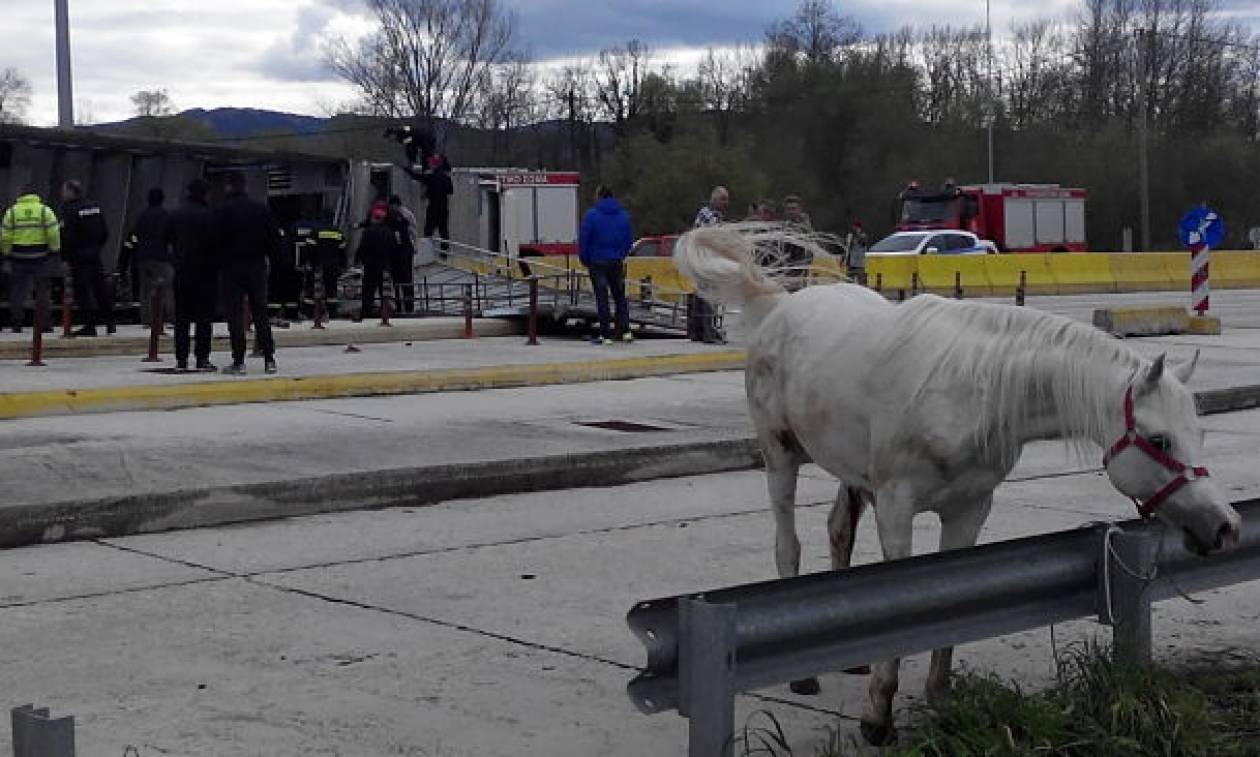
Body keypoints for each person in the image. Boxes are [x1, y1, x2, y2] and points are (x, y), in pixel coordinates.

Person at [215, 171, 279, 375]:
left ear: (228, 186)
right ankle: (269, 358)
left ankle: (239, 360)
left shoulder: (223, 210)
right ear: (245, 186)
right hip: (256, 266)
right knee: (260, 312)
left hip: (231, 267)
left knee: (234, 315)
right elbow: (273, 239)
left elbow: (215, 239)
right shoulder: (260, 209)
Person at [167, 178, 218, 372]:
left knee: (182, 318)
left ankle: (181, 358)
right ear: (205, 194)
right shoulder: (210, 216)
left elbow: (165, 240)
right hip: (206, 273)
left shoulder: (175, 215)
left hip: (182, 272)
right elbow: (217, 244)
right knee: (204, 318)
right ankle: (202, 358)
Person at [0, 184, 60, 333]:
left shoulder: (12, 212)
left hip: (18, 257)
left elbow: (5, 236)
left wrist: (6, 253)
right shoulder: (44, 211)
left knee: (17, 292)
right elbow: (53, 232)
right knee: (42, 291)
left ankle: (16, 323)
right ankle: (45, 323)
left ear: (21, 196)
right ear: (36, 196)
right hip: (40, 257)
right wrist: (54, 249)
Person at [579, 185, 634, 345]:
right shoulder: (624, 216)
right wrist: (620, 255)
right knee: (619, 297)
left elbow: (584, 241)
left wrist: (585, 259)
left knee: (602, 298)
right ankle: (625, 331)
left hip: (597, 262)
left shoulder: (591, 216)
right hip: (616, 262)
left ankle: (606, 334)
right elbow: (629, 241)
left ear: (599, 197)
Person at [59, 180, 115, 335]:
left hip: (78, 257)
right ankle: (110, 321)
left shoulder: (69, 210)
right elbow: (104, 232)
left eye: (64, 191)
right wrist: (96, 248)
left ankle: (89, 325)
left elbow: (66, 237)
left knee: (83, 291)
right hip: (94, 255)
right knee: (100, 289)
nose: (62, 194)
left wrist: (65, 257)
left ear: (72, 192)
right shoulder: (94, 207)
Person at [123, 188, 175, 328]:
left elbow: (134, 235)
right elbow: (170, 236)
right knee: (167, 287)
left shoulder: (142, 215)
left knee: (145, 289)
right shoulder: (165, 215)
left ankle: (147, 319)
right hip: (160, 257)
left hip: (142, 257)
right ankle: (170, 318)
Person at [690, 185, 728, 343]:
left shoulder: (708, 214)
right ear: (715, 199)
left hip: (701, 259)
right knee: (709, 297)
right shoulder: (710, 216)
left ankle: (698, 331)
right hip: (706, 260)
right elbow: (713, 238)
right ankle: (708, 333)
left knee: (701, 295)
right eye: (723, 199)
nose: (726, 203)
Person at [355, 201, 397, 320]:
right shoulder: (389, 232)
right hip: (384, 266)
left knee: (368, 289)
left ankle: (367, 310)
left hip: (370, 265)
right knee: (384, 289)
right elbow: (394, 249)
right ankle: (385, 311)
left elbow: (362, 248)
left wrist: (359, 259)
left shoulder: (368, 231)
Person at [388, 195, 419, 313]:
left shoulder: (405, 215)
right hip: (401, 250)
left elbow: (412, 231)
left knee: (404, 279)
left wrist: (414, 245)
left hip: (404, 250)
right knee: (401, 280)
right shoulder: (400, 215)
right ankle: (403, 306)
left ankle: (407, 306)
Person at [418, 154, 453, 254]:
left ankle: (426, 252)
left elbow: (419, 177)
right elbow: (450, 191)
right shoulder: (446, 177)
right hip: (443, 207)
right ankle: (444, 253)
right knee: (444, 231)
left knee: (428, 231)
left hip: (433, 207)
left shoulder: (430, 176)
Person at [845, 219, 870, 286]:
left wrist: (856, 236)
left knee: (861, 283)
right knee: (849, 282)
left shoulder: (863, 236)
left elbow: (862, 243)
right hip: (850, 263)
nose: (854, 228)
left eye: (856, 227)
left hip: (859, 264)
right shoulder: (850, 236)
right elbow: (848, 248)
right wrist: (845, 259)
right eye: (853, 227)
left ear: (859, 228)